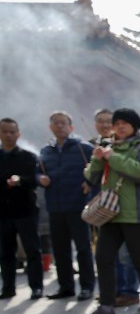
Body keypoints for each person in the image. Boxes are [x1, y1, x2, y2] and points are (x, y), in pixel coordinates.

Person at [79, 108, 140, 314]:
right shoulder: (107, 148)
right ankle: (106, 307)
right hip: (110, 214)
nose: (120, 126)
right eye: (117, 123)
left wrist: (113, 157)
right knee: (103, 258)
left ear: (134, 127)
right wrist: (97, 160)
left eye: (125, 123)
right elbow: (91, 177)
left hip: (136, 214)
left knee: (139, 259)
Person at [39, 111, 97, 301]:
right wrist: (41, 179)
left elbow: (98, 169)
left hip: (78, 205)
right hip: (55, 206)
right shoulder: (45, 151)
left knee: (82, 248)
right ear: (50, 127)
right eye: (56, 123)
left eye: (63, 123)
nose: (60, 126)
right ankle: (66, 286)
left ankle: (87, 286)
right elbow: (36, 173)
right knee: (60, 249)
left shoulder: (83, 148)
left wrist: (90, 183)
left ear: (71, 127)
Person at [0, 118, 44, 300]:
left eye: (12, 132)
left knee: (32, 251)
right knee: (5, 253)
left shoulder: (29, 157)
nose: (9, 135)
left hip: (26, 210)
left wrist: (21, 181)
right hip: (3, 212)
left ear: (18, 135)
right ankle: (8, 288)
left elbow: (37, 180)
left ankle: (36, 287)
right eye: (5, 131)